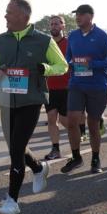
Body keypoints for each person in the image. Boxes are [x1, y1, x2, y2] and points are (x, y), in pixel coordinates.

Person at [0, 0, 69, 214]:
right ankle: (38, 168)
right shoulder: (0, 41)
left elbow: (62, 66)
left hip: (31, 100)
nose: (5, 16)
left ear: (23, 17)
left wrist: (44, 68)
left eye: (9, 12)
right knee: (16, 146)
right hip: (7, 100)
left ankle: (12, 201)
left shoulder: (43, 41)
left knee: (16, 149)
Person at [61, 4, 107, 175]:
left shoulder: (102, 36)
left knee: (93, 124)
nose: (77, 17)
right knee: (72, 120)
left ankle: (95, 158)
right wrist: (71, 63)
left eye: (81, 14)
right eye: (76, 14)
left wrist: (93, 64)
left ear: (90, 16)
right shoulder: (72, 36)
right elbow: (68, 58)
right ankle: (76, 157)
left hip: (97, 85)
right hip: (76, 84)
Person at [43, 16, 72, 160]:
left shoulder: (69, 43)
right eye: (52, 24)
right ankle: (55, 149)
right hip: (50, 88)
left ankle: (80, 133)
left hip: (67, 88)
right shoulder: (47, 45)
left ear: (63, 26)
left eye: (57, 23)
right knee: (51, 117)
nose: (53, 26)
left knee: (65, 121)